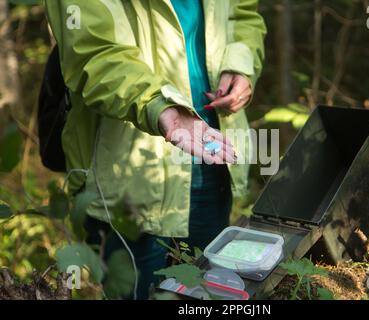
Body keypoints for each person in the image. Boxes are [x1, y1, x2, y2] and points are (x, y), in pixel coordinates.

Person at [44, 0, 266, 299]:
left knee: (205, 293)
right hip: (125, 176)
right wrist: (160, 107)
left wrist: (240, 64)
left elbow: (242, 13)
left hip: (213, 159)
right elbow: (94, 55)